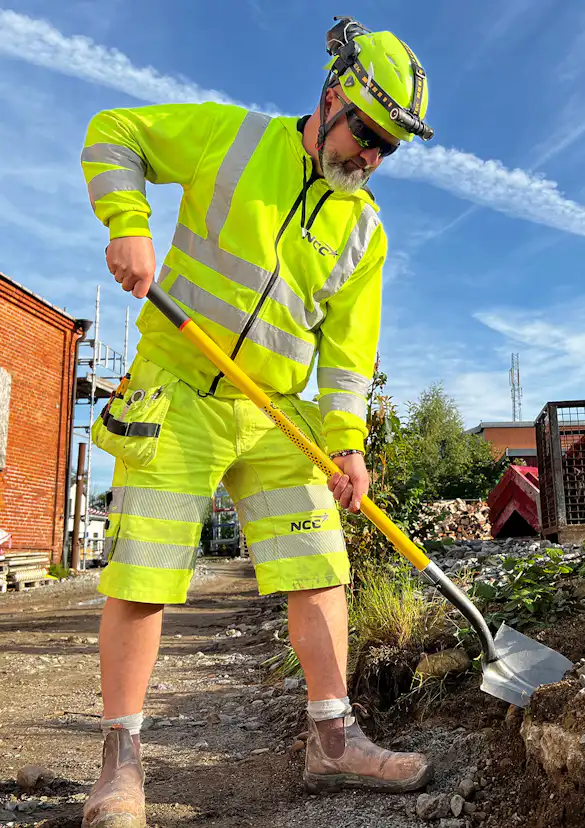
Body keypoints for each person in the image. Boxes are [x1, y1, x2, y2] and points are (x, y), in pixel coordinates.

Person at [78, 17, 434, 828]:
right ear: (332, 97)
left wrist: (347, 443)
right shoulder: (231, 139)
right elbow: (113, 134)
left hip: (277, 413)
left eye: (390, 148)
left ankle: (332, 740)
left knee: (319, 565)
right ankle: (120, 765)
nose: (373, 157)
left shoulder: (365, 230)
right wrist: (127, 220)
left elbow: (349, 352)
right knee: (147, 570)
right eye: (367, 135)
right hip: (179, 388)